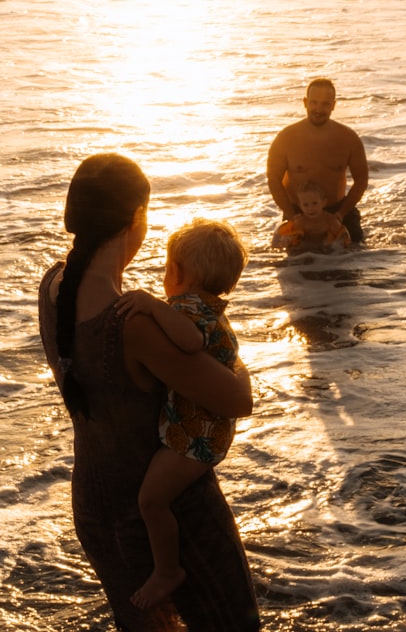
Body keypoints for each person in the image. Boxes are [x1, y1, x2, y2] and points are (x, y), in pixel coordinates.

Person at [37, 154, 260, 632]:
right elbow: (237, 401)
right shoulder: (132, 323)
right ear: (136, 217)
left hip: (96, 507)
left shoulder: (53, 286)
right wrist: (236, 363)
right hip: (169, 512)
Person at [114, 218, 249, 611]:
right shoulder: (210, 308)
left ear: (178, 273)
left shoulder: (187, 308)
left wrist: (152, 305)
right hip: (206, 428)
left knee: (151, 500)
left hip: (197, 436)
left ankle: (168, 571)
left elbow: (188, 341)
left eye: (167, 266)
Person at [267, 77, 368, 243]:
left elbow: (362, 179)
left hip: (338, 212)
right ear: (305, 102)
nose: (318, 109)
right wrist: (293, 216)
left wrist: (341, 213)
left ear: (333, 105)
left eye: (325, 104)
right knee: (290, 265)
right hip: (298, 212)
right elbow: (274, 180)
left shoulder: (349, 138)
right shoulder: (285, 138)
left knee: (358, 259)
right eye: (314, 103)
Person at [271, 180, 352, 254]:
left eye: (315, 203)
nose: (310, 208)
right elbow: (289, 242)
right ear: (300, 206)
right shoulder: (300, 222)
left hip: (326, 250)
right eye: (305, 205)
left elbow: (343, 239)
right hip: (306, 250)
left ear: (324, 202)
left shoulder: (330, 220)